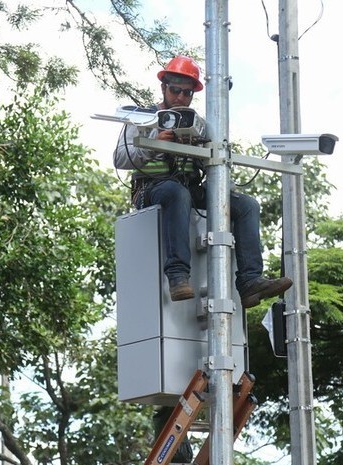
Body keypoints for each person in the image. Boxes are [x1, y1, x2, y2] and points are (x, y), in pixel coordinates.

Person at [114, 55, 292, 308]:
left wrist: (201, 147)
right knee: (177, 193)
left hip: (188, 188)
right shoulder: (142, 118)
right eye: (175, 91)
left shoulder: (199, 125)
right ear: (163, 87)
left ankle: (250, 281)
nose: (180, 98)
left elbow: (217, 163)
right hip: (152, 189)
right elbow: (120, 157)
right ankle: (177, 276)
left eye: (187, 94)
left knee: (246, 205)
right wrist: (155, 144)